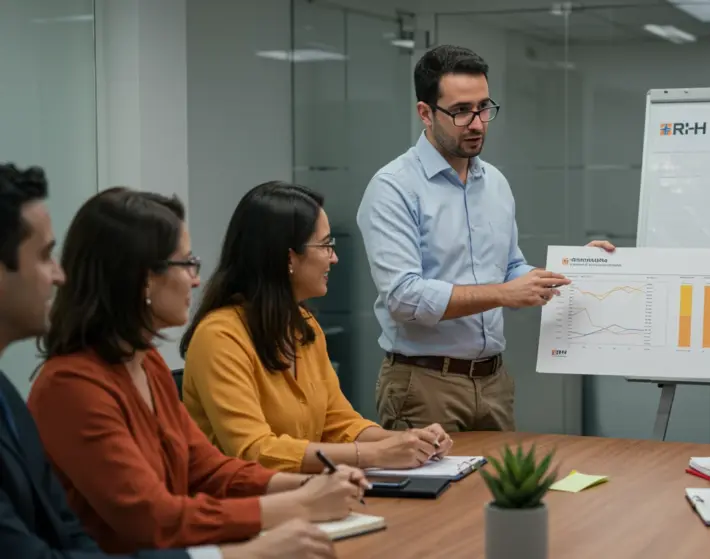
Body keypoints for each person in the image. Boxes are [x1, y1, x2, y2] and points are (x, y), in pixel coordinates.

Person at [0, 164, 338, 559]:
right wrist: (285, 511)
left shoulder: (147, 364)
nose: (196, 279)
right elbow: (151, 517)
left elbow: (205, 469)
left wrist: (306, 489)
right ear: (145, 279)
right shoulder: (70, 386)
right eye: (186, 263)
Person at [356, 44, 614, 432]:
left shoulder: (494, 182)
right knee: (440, 493)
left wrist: (574, 269)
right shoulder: (394, 188)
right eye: (460, 111)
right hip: (424, 385)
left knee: (501, 493)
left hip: (494, 382)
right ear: (425, 113)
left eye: (483, 107)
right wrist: (501, 294)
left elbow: (510, 268)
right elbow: (403, 297)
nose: (477, 123)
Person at [181, 182, 453, 473]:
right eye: (326, 245)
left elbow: (339, 423)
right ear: (289, 258)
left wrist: (408, 441)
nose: (334, 258)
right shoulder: (219, 337)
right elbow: (255, 452)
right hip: (246, 508)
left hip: (306, 497)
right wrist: (376, 454)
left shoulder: (304, 326)